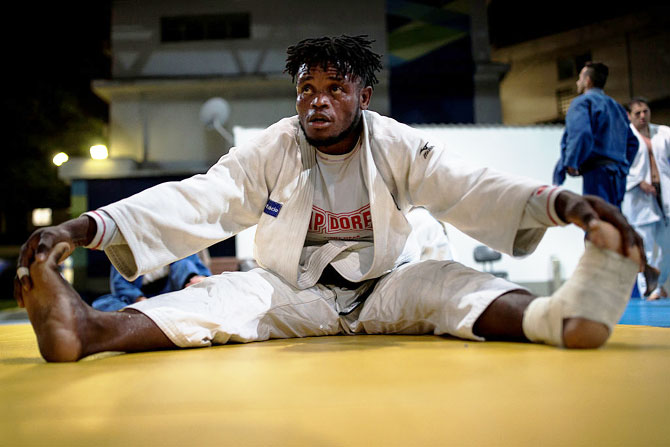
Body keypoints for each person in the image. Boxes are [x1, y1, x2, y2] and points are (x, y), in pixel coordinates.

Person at [15, 35, 648, 363]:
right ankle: (89, 330)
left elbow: (466, 185)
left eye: (334, 88)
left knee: (450, 284)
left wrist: (560, 204)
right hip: (299, 293)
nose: (317, 100)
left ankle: (558, 320)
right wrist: (86, 227)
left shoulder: (394, 144)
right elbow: (202, 197)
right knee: (218, 298)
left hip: (390, 285)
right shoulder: (275, 146)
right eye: (306, 89)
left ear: (362, 97)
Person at [553, 62, 638, 209]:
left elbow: (581, 134)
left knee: (597, 222)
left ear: (587, 81)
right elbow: (633, 143)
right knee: (614, 221)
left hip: (597, 174)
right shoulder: (616, 106)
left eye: (579, 78)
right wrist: (622, 166)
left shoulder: (582, 103)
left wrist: (571, 162)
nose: (577, 82)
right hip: (618, 177)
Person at [622, 97, 670, 300]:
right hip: (639, 198)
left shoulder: (664, 132)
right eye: (637, 113)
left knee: (667, 248)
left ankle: (658, 283)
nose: (643, 116)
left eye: (645, 111)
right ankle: (648, 290)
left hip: (664, 194)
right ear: (629, 116)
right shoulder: (625, 137)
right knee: (646, 248)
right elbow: (620, 166)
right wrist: (638, 181)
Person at [91, 254, 211, 311]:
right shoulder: (126, 249)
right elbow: (119, 284)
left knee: (183, 265)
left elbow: (199, 269)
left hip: (177, 292)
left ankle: (193, 292)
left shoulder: (179, 240)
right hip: (143, 300)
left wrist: (200, 278)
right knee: (101, 304)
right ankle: (142, 315)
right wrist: (139, 299)